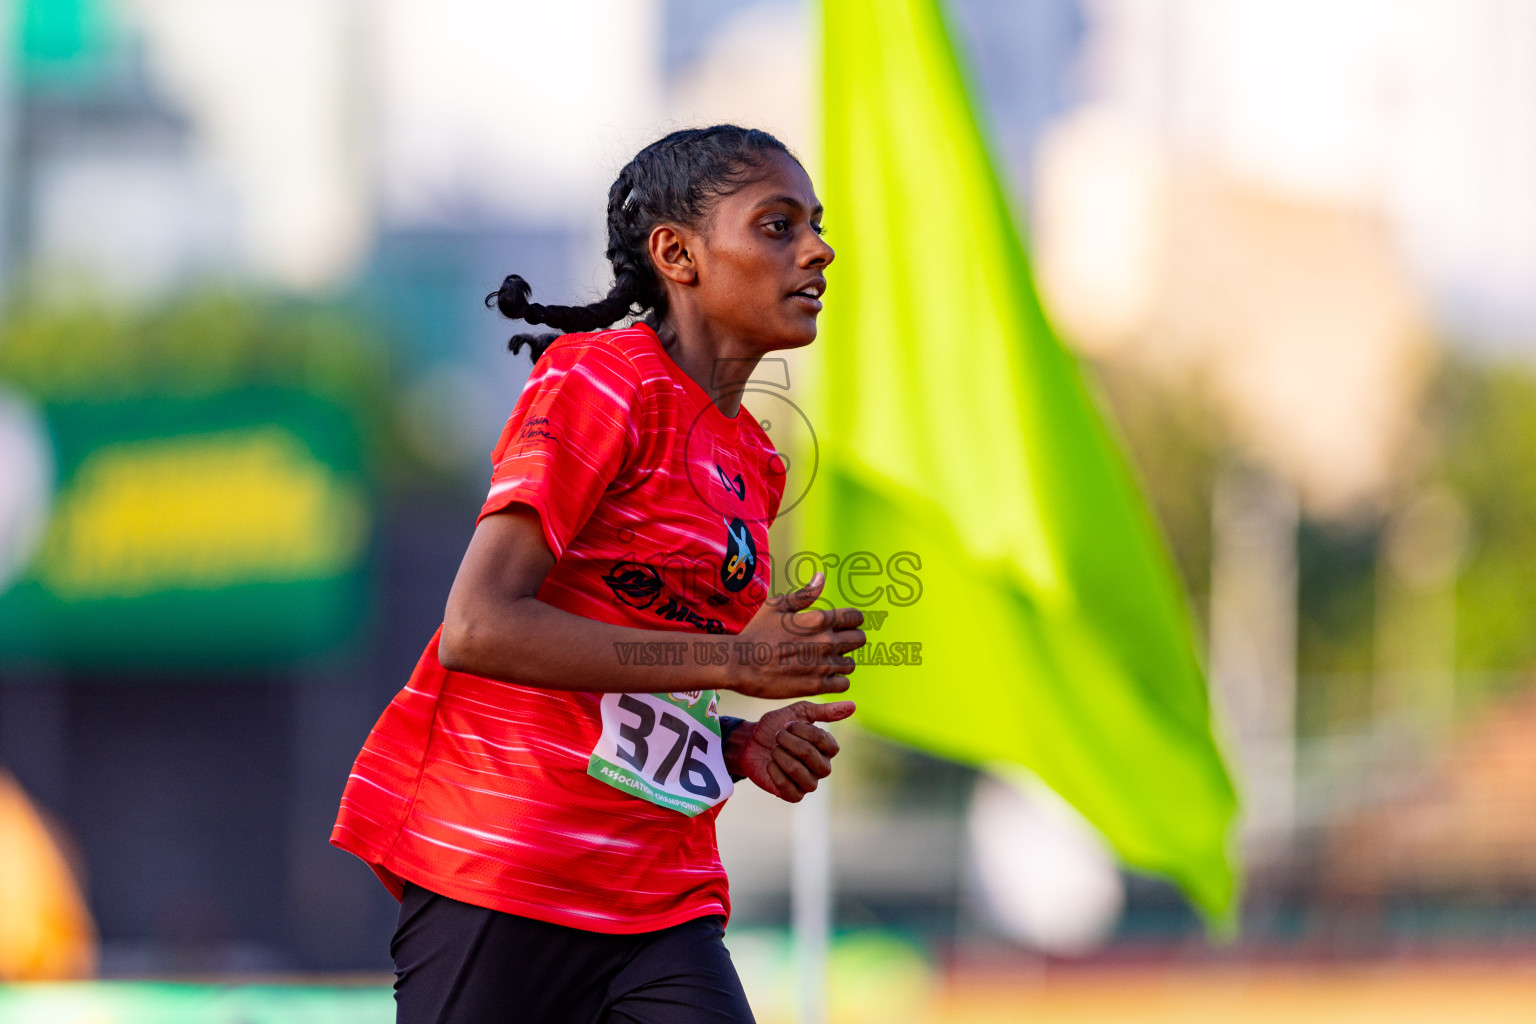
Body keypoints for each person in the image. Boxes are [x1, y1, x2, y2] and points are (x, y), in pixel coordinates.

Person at [332, 125, 866, 1024]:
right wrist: (732, 662)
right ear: (677, 255)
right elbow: (480, 628)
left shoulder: (756, 461)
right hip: (510, 864)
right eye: (778, 226)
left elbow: (648, 666)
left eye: (813, 226)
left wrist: (733, 742)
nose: (819, 250)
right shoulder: (601, 380)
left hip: (661, 894)